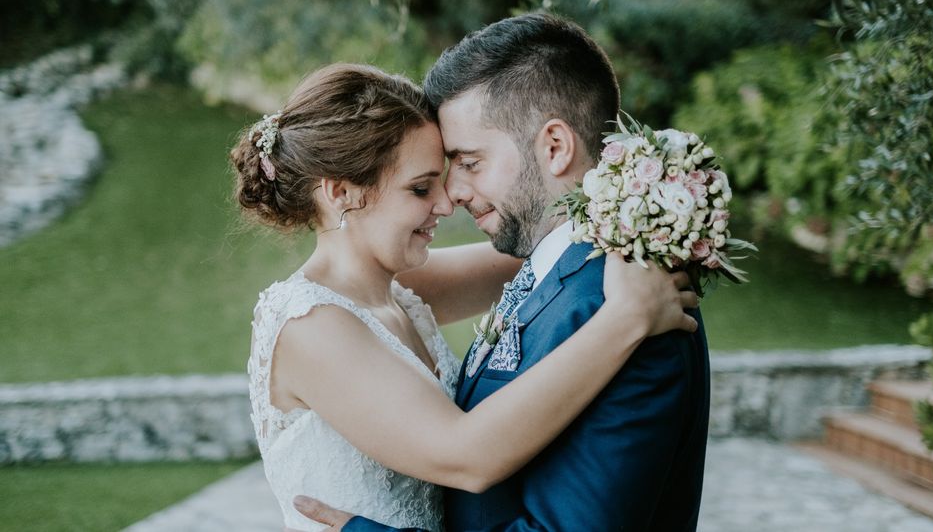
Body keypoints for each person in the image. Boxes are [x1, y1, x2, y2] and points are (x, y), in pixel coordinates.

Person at [232, 62, 699, 531]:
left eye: (447, 175)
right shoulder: (312, 326)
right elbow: (469, 456)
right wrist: (626, 318)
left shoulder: (400, 290)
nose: (447, 201)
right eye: (420, 188)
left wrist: (656, 203)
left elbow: (551, 245)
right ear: (341, 192)